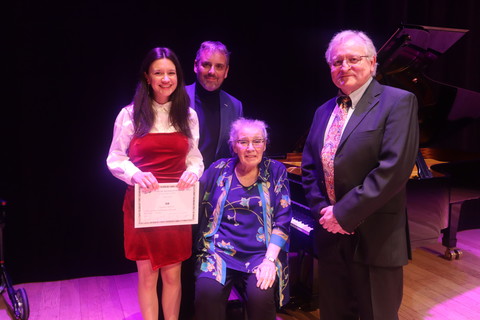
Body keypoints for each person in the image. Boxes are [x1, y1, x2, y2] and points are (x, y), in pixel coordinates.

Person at [301, 30, 419, 319]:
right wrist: (324, 213)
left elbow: (393, 170)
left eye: (353, 59)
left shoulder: (399, 102)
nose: (344, 67)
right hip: (331, 237)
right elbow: (309, 168)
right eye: (336, 61)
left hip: (375, 237)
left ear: (372, 62)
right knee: (334, 313)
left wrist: (343, 214)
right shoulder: (322, 111)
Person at [106, 47, 203, 320]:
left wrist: (193, 172)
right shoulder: (130, 114)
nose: (165, 79)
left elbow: (196, 159)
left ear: (178, 77)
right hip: (143, 205)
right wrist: (135, 174)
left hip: (176, 207)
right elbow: (114, 158)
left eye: (171, 73)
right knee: (148, 277)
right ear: (147, 77)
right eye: (158, 72)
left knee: (173, 276)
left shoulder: (188, 115)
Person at [194, 118, 292, 320]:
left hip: (261, 254)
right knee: (207, 294)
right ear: (234, 146)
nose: (250, 148)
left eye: (257, 141)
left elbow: (283, 220)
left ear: (265, 145)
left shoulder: (276, 171)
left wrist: (270, 260)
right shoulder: (218, 169)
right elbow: (192, 196)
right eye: (243, 142)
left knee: (262, 298)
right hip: (218, 252)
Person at [186, 41, 243, 169]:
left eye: (219, 66)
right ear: (196, 65)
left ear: (226, 71)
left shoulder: (235, 106)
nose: (212, 72)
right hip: (181, 183)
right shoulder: (176, 98)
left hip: (217, 185)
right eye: (206, 64)